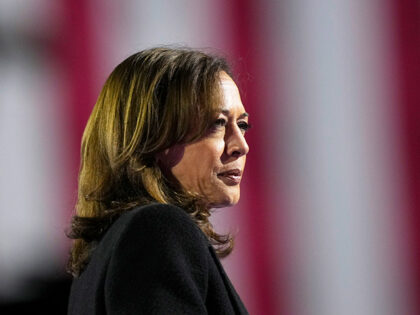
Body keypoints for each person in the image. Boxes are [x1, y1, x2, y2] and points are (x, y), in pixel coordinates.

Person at [67, 47, 250, 314]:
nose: (241, 145)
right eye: (218, 123)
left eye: (242, 125)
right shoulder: (156, 231)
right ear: (153, 137)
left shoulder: (101, 255)